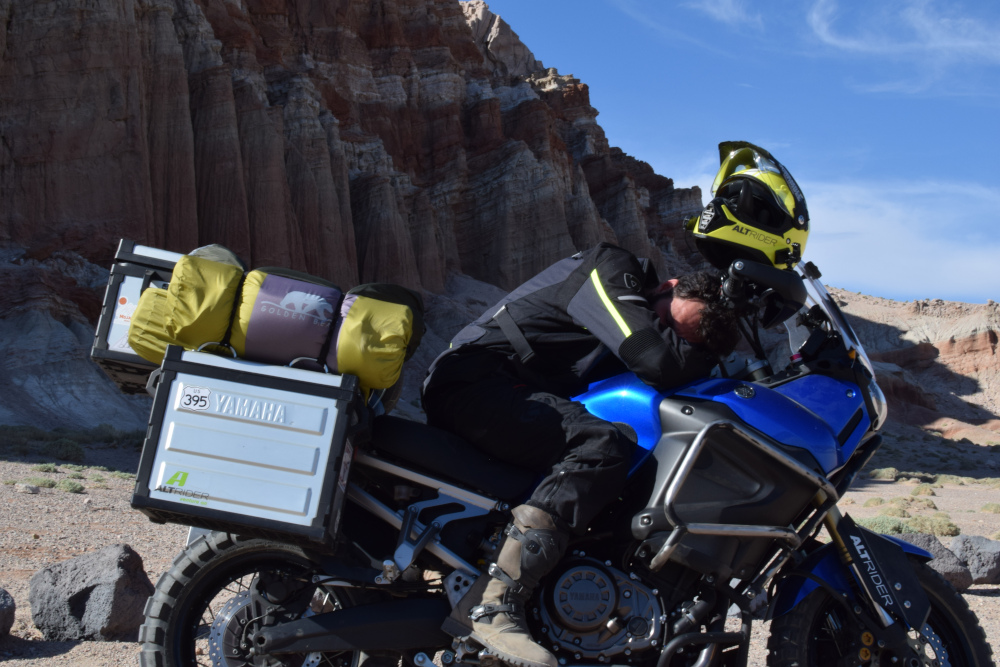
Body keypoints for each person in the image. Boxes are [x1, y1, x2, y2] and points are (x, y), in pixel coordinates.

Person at [421, 242, 740, 667]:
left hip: (516, 394)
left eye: (683, 339)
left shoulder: (642, 302)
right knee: (599, 445)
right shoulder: (611, 269)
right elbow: (656, 358)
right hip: (476, 379)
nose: (665, 334)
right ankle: (492, 605)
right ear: (668, 285)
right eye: (665, 321)